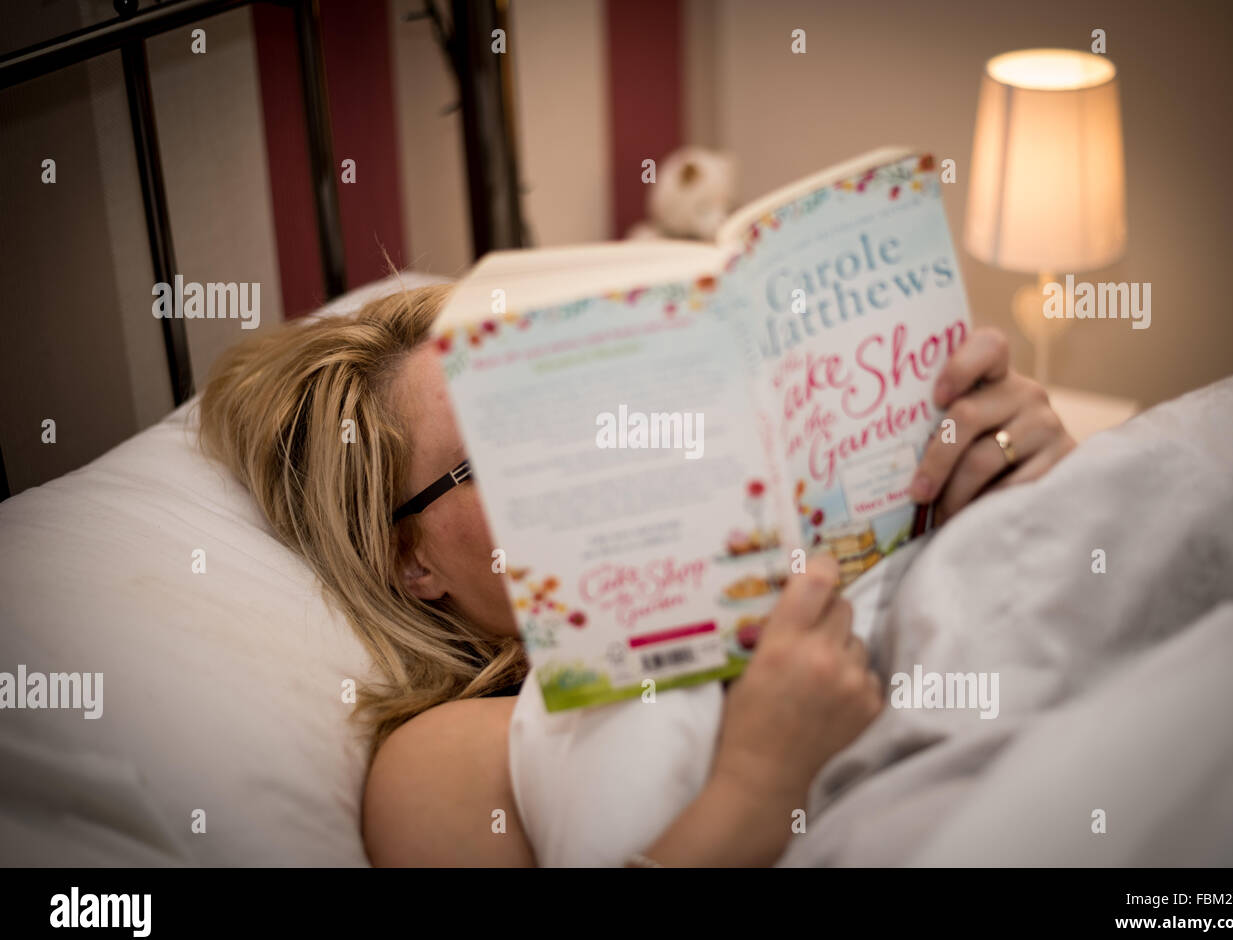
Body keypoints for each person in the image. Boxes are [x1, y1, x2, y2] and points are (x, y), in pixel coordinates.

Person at [199, 283, 1075, 866]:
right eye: (507, 446)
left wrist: (1034, 481)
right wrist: (761, 783)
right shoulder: (453, 756)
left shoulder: (799, 525)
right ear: (412, 560)